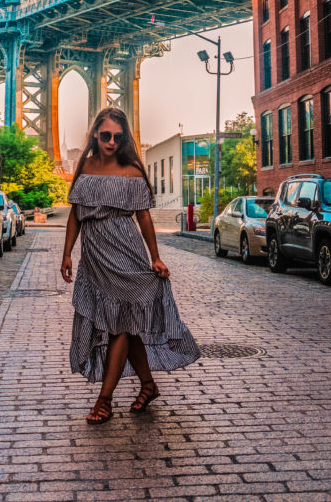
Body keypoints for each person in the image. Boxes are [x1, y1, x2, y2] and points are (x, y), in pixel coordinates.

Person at [60, 106, 200, 424]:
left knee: (121, 325)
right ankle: (148, 385)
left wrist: (155, 257)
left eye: (118, 137)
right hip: (95, 260)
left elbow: (144, 217)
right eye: (106, 135)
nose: (111, 142)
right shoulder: (84, 167)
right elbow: (75, 214)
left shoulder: (133, 170)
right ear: (95, 133)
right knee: (130, 328)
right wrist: (67, 253)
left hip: (127, 256)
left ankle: (104, 401)